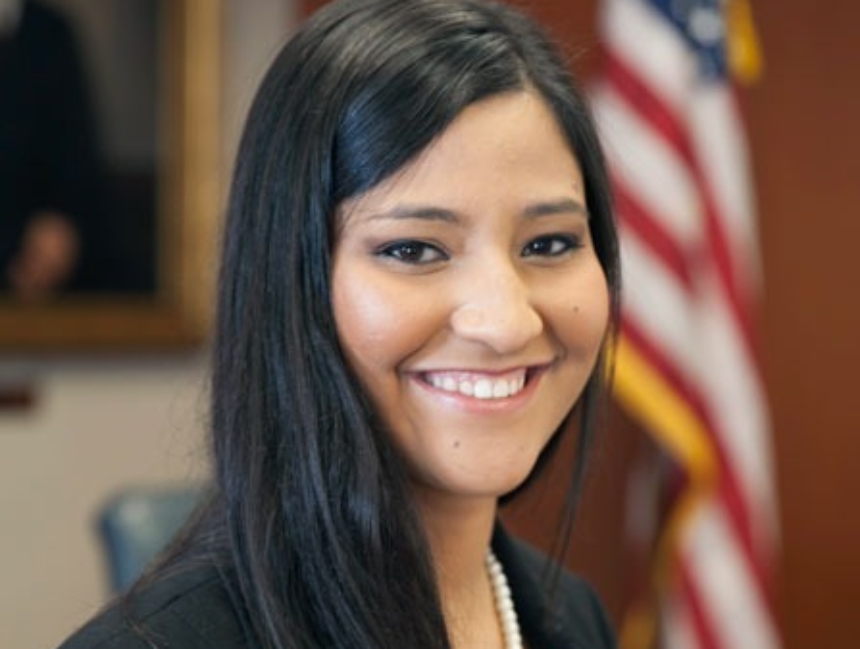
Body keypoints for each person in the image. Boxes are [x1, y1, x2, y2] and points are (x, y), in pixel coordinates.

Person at [58, 0, 620, 647]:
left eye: (549, 244)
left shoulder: (574, 617)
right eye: (413, 249)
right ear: (291, 279)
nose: (506, 321)